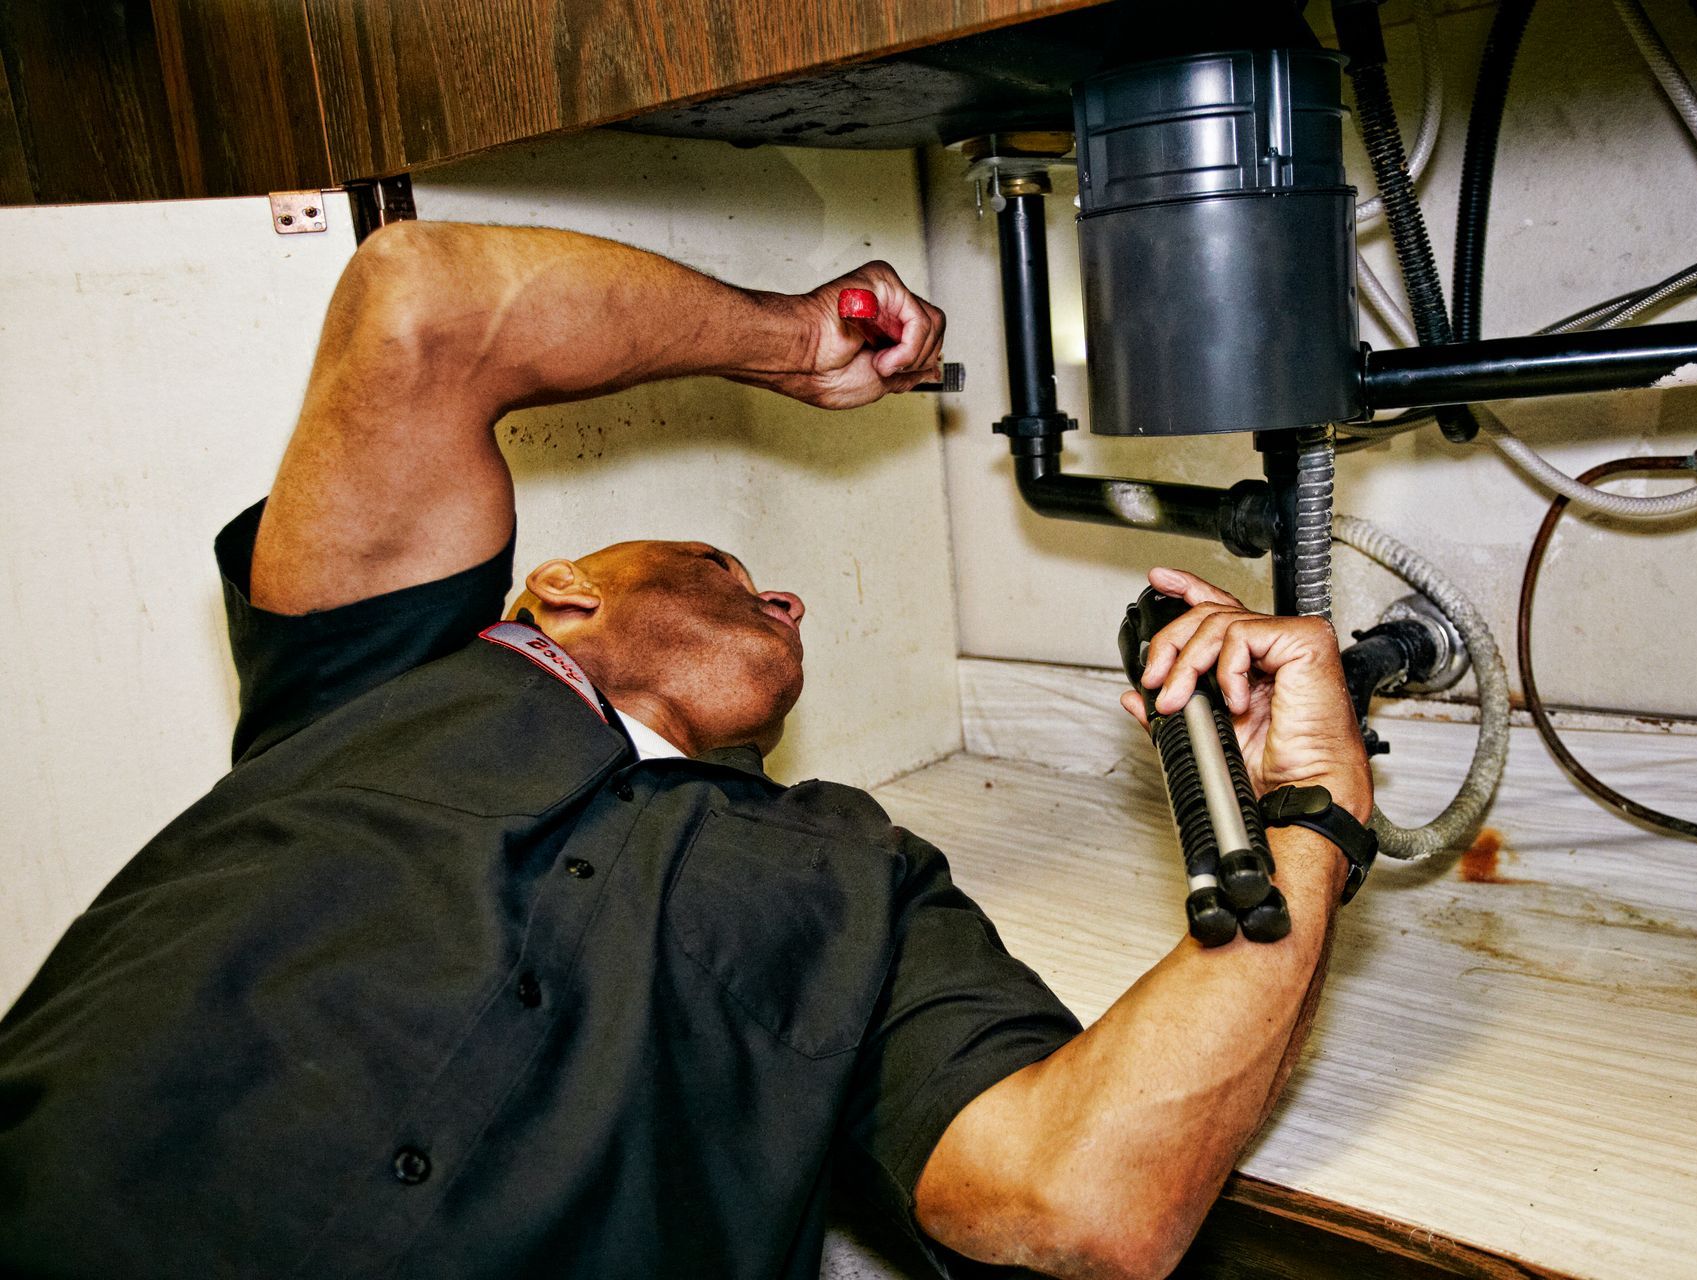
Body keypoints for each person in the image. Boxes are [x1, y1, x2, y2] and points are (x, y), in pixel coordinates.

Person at [0, 221, 1372, 1280]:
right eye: (723, 562)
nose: (787, 595)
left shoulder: (857, 876)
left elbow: (1087, 1201)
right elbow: (424, 298)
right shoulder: (371, 678)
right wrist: (789, 343)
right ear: (565, 593)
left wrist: (1307, 815)